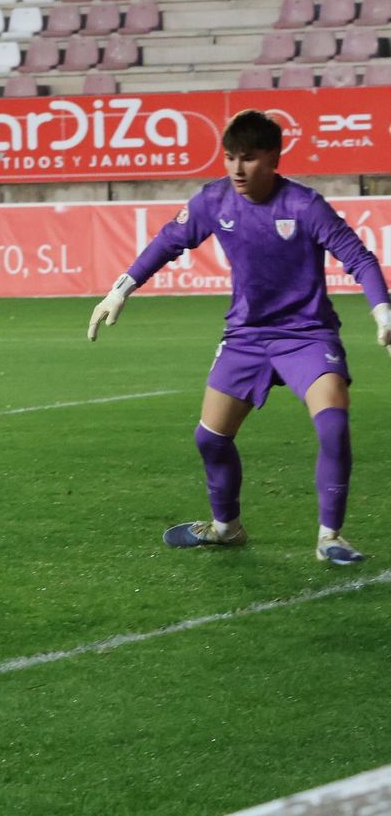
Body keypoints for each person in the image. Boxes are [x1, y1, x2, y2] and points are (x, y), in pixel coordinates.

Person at [89, 109, 391, 565]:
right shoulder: (215, 201)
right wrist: (121, 289)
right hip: (247, 336)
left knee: (333, 425)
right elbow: (169, 241)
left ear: (273, 157)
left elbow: (360, 259)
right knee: (210, 438)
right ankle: (225, 528)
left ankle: (331, 536)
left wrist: (383, 311)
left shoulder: (304, 206)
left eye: (247, 158)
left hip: (305, 335)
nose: (236, 169)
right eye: (229, 157)